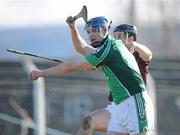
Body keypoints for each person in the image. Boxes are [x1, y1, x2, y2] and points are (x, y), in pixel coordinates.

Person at [30, 16, 154, 135]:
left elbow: (70, 67)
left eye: (95, 31)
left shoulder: (110, 48)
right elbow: (82, 48)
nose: (91, 35)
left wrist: (41, 73)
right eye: (88, 32)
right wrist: (73, 28)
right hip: (119, 105)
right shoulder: (105, 49)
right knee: (88, 121)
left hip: (134, 101)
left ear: (105, 30)